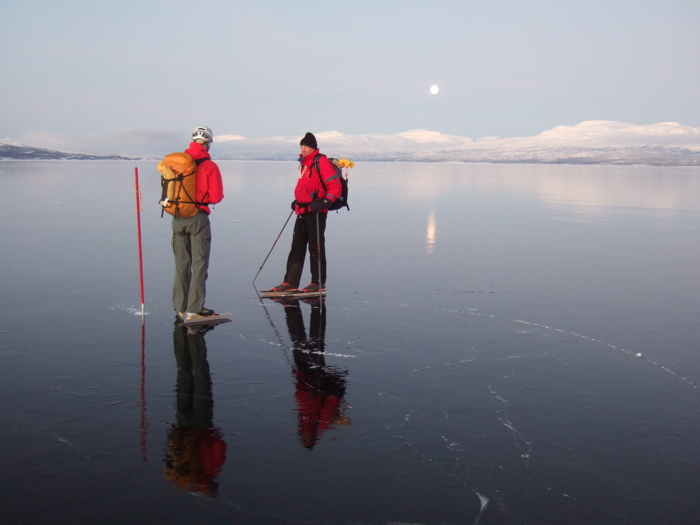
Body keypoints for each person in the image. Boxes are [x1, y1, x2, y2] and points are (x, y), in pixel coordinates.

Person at [271, 132, 343, 293]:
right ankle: (290, 282)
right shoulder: (305, 164)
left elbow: (335, 186)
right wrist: (297, 201)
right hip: (302, 210)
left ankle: (317, 282)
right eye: (301, 146)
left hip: (316, 212)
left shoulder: (320, 162)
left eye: (306, 146)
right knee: (296, 246)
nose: (303, 149)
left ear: (313, 147)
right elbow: (307, 186)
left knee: (315, 247)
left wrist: (325, 202)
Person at [171, 126, 224, 320]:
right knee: (199, 264)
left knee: (181, 264)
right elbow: (217, 196)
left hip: (177, 217)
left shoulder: (177, 163)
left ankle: (180, 307)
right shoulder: (209, 166)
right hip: (198, 217)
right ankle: (195, 309)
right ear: (208, 143)